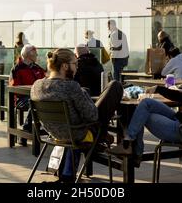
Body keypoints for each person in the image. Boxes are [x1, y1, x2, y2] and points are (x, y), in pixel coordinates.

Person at [108, 54, 182, 165]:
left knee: (142, 115)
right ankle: (130, 143)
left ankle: (131, 147)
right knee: (145, 103)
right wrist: (158, 89)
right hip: (180, 121)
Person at [31, 48, 123, 182]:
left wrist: (82, 93)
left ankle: (102, 137)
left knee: (84, 92)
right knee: (114, 86)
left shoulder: (36, 85)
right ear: (64, 66)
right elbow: (92, 116)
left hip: (54, 133)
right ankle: (103, 137)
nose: (77, 68)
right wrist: (84, 95)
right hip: (78, 134)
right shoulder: (71, 87)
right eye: (75, 64)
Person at [10, 44, 46, 141]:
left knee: (47, 101)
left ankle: (47, 128)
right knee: (34, 102)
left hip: (37, 96)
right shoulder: (17, 69)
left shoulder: (37, 68)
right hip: (22, 99)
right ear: (28, 55)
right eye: (35, 53)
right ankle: (27, 129)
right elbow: (15, 88)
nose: (37, 55)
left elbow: (45, 80)